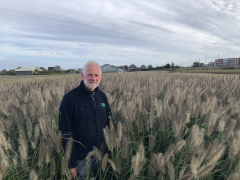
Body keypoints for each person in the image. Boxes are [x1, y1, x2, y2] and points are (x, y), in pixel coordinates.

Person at [59, 61, 112, 179]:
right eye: (89, 75)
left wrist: (110, 150)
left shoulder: (102, 97)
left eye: (96, 75)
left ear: (101, 77)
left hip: (101, 156)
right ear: (83, 76)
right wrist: (71, 163)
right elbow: (65, 132)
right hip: (81, 160)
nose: (93, 78)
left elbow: (109, 124)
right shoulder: (70, 98)